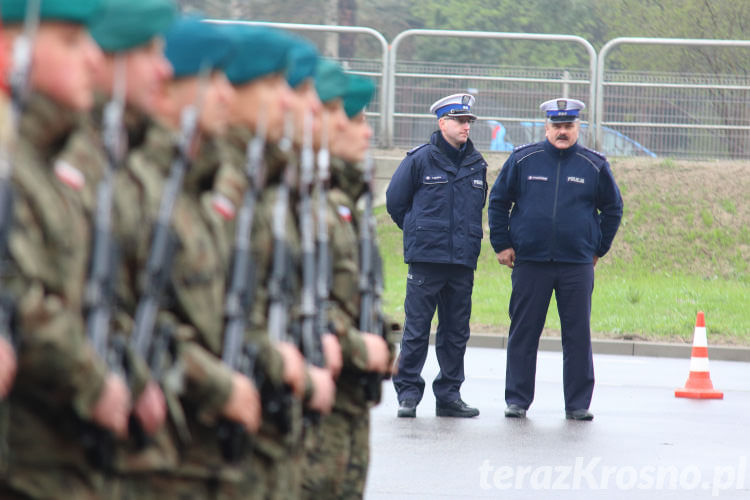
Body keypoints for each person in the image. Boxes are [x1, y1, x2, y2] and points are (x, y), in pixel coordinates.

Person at [0, 1, 134, 498]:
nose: (95, 61)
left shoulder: (46, 162)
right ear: (9, 50)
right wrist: (93, 382)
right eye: (72, 42)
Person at [488, 97, 624, 421]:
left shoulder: (594, 165)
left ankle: (577, 404)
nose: (562, 131)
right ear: (546, 127)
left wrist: (597, 247)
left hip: (576, 264)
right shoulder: (524, 160)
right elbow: (498, 200)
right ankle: (517, 400)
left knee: (577, 334)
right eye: (557, 126)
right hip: (530, 261)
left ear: (578, 127)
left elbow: (613, 208)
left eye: (569, 126)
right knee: (523, 332)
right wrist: (502, 243)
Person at [300, 60, 393, 500]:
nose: (365, 132)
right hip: (321, 397)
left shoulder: (347, 204)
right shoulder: (314, 205)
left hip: (350, 397)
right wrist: (360, 347)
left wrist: (386, 339)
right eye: (353, 119)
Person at [387, 93, 487, 418]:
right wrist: (418, 230)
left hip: (461, 262)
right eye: (459, 121)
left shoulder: (477, 164)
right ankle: (408, 395)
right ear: (442, 122)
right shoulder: (419, 160)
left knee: (456, 332)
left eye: (468, 122)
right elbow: (395, 202)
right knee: (416, 330)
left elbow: (476, 208)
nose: (465, 127)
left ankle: (449, 395)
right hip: (426, 260)